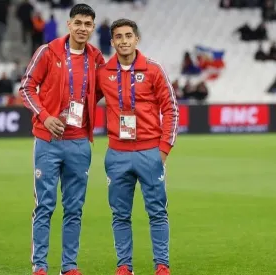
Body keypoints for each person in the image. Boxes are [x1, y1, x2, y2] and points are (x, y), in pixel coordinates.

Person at [18, 4, 105, 275]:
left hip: (80, 142)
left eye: (87, 24)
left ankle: (69, 267)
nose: (82, 28)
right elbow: (26, 87)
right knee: (44, 205)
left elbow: (106, 89)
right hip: (48, 141)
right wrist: (45, 116)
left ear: (93, 27)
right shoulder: (48, 51)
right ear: (69, 24)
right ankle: (40, 266)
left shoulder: (96, 57)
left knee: (74, 208)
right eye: (77, 22)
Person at [96, 18, 178, 275]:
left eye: (128, 36)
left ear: (136, 39)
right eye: (118, 37)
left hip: (149, 152)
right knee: (120, 215)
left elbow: (171, 109)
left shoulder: (153, 70)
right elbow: (82, 101)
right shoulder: (103, 72)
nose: (123, 41)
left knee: (157, 211)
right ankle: (124, 267)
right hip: (117, 154)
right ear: (112, 42)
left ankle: (162, 265)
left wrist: (163, 150)